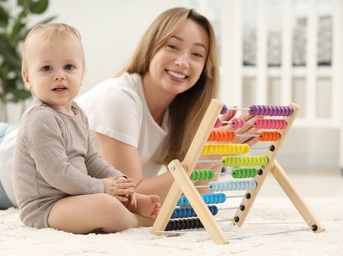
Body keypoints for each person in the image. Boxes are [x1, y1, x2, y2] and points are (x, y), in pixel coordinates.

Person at [76, 7, 255, 203]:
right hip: (58, 204)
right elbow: (129, 199)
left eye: (196, 54)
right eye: (172, 46)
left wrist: (214, 149)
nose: (182, 62)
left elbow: (201, 201)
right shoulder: (117, 100)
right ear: (152, 47)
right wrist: (204, 159)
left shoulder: (178, 111)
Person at [12, 22, 161, 234]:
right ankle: (139, 221)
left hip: (74, 195)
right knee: (105, 205)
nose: (59, 75)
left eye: (69, 67)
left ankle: (132, 202)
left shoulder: (78, 113)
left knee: (112, 194)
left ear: (82, 74)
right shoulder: (40, 119)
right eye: (46, 68)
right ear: (28, 78)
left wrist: (120, 181)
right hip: (46, 207)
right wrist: (103, 187)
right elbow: (59, 174)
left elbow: (92, 160)